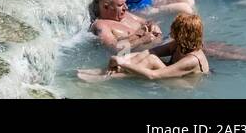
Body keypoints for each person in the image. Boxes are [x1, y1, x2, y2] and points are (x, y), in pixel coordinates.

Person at [79, 12, 209, 83]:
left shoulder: (192, 60)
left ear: (183, 34)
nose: (171, 31)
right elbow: (149, 51)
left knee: (152, 61)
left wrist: (122, 63)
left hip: (184, 87)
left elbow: (153, 75)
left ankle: (107, 77)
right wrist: (125, 58)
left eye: (175, 29)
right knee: (148, 55)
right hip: (172, 75)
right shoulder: (178, 44)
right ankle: (106, 72)